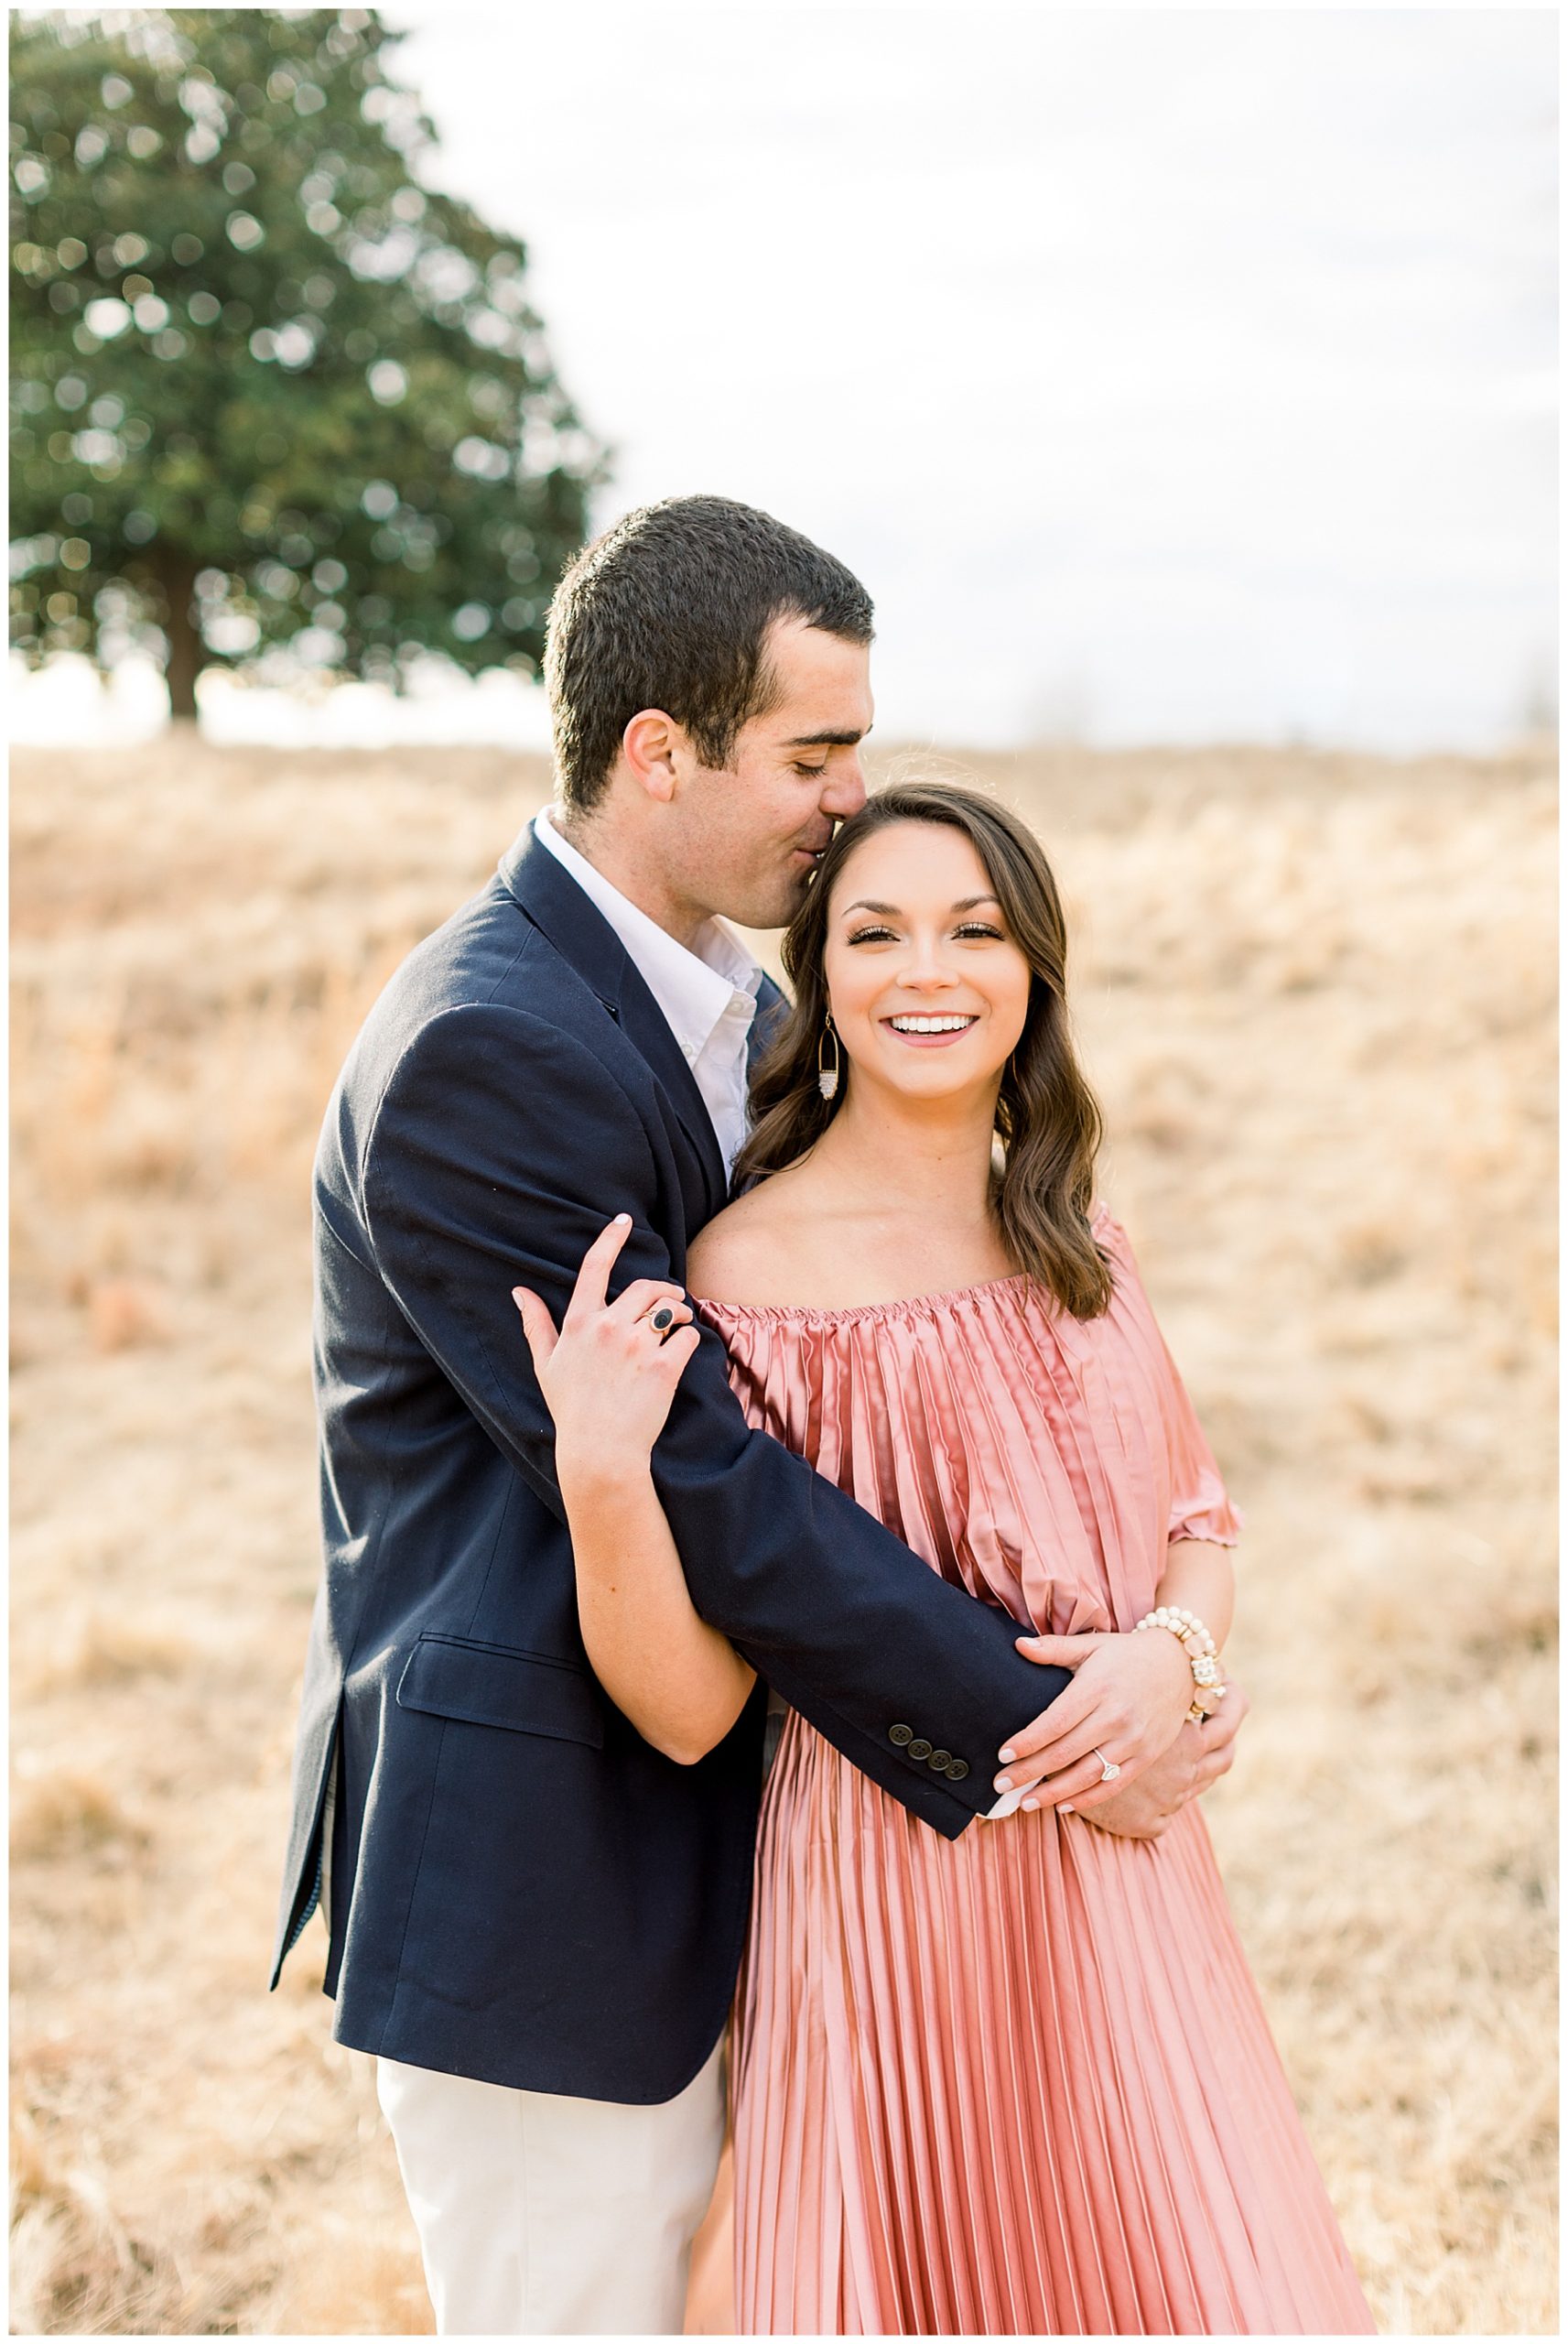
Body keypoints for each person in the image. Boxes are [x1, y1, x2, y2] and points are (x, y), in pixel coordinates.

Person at [273, 495, 1249, 2337]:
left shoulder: (710, 1008)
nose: (842, 793)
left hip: (766, 1844)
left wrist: (1168, 1639)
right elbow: (717, 1480)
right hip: (552, 1867)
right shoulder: (490, 1047)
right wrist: (1054, 1729)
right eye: (812, 751)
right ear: (660, 752)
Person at [515, 779, 1374, 2335]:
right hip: (890, 1894)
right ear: (821, 985)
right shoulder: (747, 1273)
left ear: (1032, 971)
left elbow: (1195, 1524)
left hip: (1125, 1884)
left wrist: (1168, 1660)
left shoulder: (1078, 1243)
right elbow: (688, 1703)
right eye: (876, 932)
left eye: (974, 931)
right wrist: (599, 1474)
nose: (929, 971)